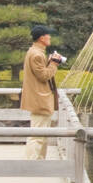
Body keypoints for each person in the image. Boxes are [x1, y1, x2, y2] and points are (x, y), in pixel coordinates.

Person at [20, 24, 65, 160]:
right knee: (37, 135)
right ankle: (32, 164)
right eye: (47, 35)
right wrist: (54, 64)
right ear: (41, 38)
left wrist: (50, 61)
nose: (49, 37)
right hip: (40, 99)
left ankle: (38, 163)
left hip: (40, 98)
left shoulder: (35, 52)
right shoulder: (36, 54)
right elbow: (44, 76)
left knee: (41, 134)